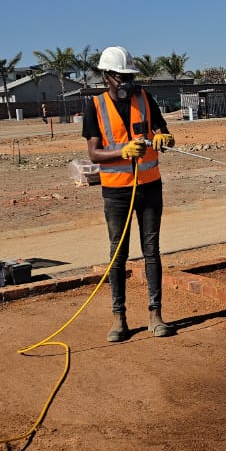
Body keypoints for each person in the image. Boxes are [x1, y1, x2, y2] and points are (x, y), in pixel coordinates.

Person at [83, 46, 176, 342]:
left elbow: (163, 130)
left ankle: (155, 314)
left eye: (130, 76)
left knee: (152, 251)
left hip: (149, 186)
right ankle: (118, 318)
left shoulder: (145, 98)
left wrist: (164, 136)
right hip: (116, 192)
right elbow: (94, 154)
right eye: (121, 76)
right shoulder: (95, 106)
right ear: (107, 77)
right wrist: (121, 151)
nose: (127, 82)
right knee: (118, 255)